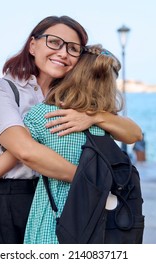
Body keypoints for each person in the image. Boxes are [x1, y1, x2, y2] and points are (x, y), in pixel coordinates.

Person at [0, 15, 142, 244]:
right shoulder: (2, 89)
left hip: (60, 198)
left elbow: (133, 133)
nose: (63, 53)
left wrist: (93, 117)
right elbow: (25, 151)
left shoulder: (72, 101)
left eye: (73, 49)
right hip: (11, 199)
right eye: (54, 42)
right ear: (33, 45)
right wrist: (93, 182)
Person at [22, 45, 124, 243]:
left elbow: (14, 156)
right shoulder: (110, 124)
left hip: (53, 218)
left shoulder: (41, 116)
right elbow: (134, 134)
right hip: (97, 218)